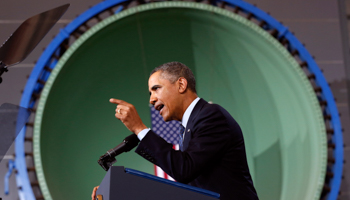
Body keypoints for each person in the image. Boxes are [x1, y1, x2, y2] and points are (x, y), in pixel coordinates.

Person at [92, 62, 258, 200]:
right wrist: (117, 189)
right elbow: (185, 186)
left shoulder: (211, 116)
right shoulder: (187, 128)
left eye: (156, 88)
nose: (151, 99)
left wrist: (139, 129)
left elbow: (183, 169)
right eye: (150, 92)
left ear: (181, 85)